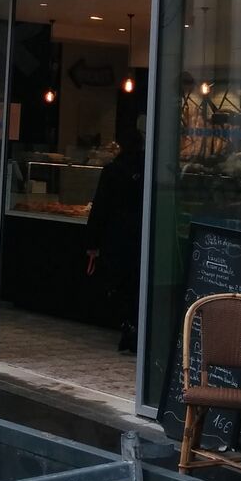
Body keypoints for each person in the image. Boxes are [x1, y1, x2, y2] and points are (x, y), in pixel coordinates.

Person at [85, 122, 145, 352]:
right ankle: (136, 328)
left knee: (119, 284)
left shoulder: (113, 170)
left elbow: (100, 207)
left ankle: (128, 328)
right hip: (142, 235)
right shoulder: (149, 168)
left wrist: (92, 242)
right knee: (137, 283)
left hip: (117, 236)